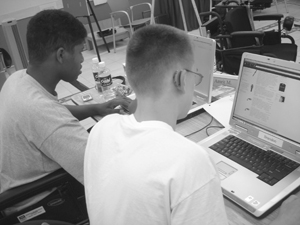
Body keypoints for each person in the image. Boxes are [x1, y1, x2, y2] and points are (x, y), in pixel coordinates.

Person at [84, 24, 300, 225]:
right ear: (179, 79)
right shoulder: (188, 161)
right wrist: (284, 220)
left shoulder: (102, 129)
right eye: (195, 75)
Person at [0, 9, 132, 194]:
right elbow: (104, 171)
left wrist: (95, 108)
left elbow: (54, 109)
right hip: (46, 201)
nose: (81, 60)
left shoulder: (18, 79)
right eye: (80, 51)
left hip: (19, 182)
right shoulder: (40, 112)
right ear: (61, 55)